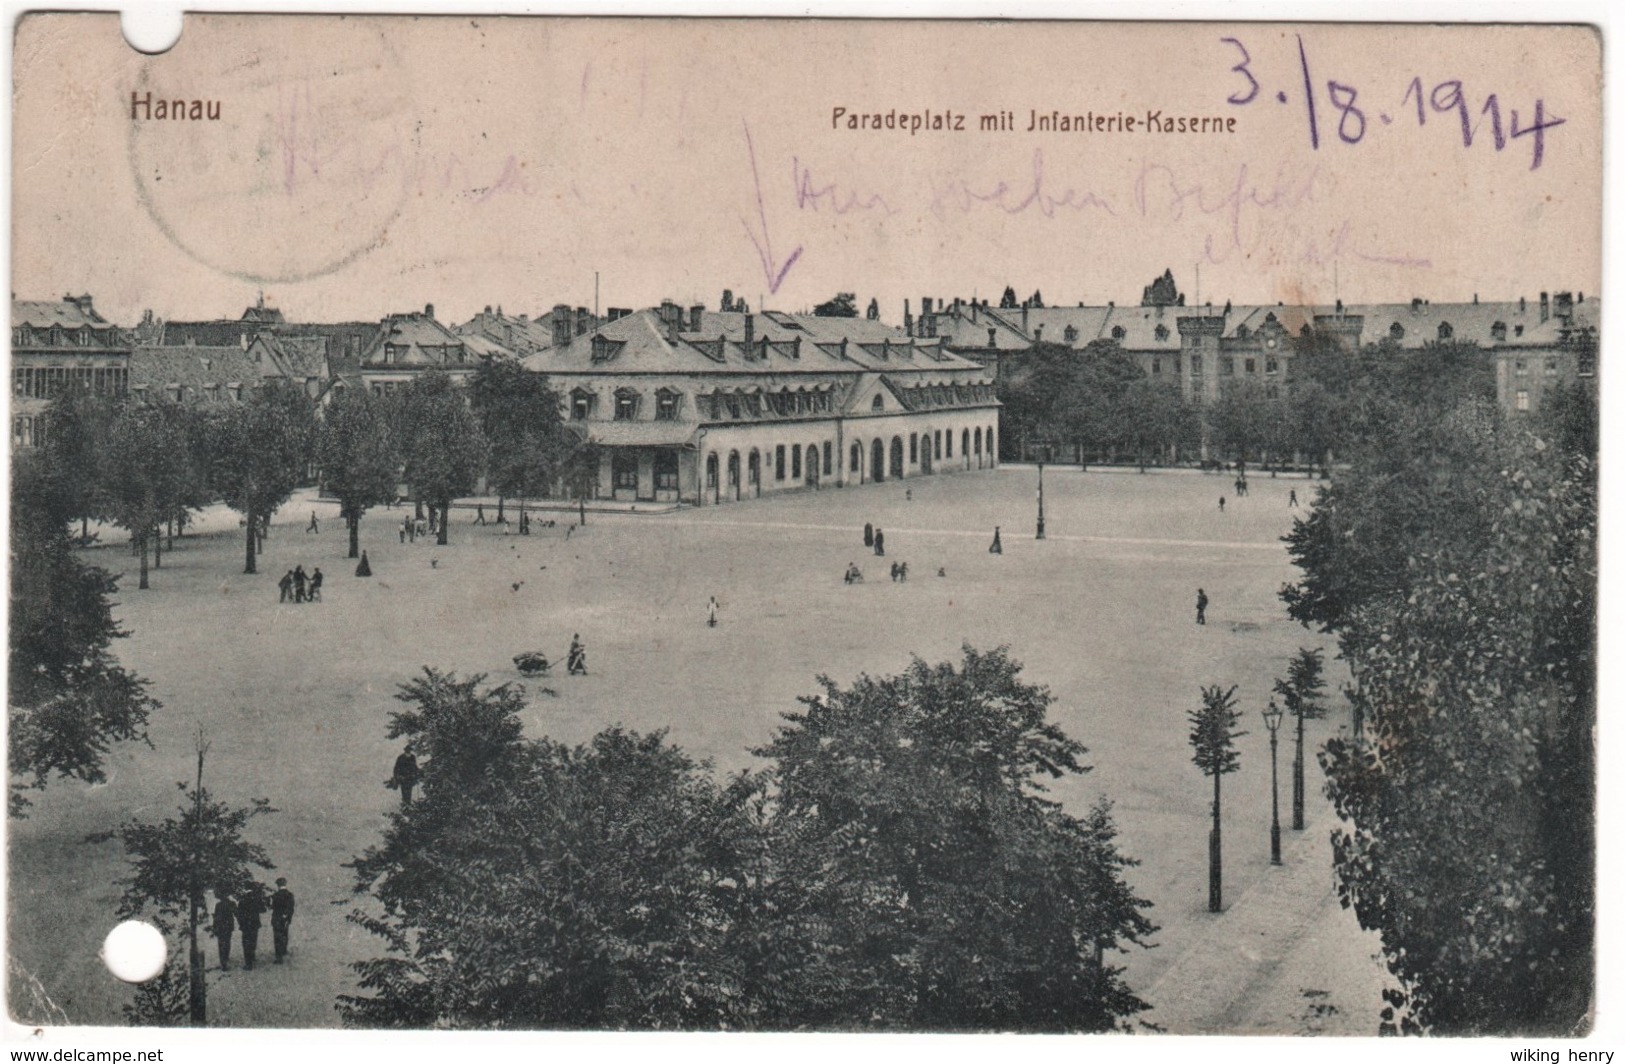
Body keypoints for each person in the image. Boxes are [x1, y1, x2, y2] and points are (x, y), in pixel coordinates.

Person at [237, 883, 266, 970]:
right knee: (253, 940)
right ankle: (252, 956)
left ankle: (248, 963)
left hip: (246, 925)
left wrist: (241, 924)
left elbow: (239, 915)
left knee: (246, 943)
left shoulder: (242, 901)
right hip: (254, 924)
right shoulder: (257, 899)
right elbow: (263, 910)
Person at [270, 878, 295, 964]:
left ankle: (279, 957)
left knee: (277, 937)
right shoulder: (290, 895)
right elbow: (291, 908)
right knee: (285, 934)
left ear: (277, 885)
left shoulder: (275, 895)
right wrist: (288, 918)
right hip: (286, 918)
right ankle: (284, 950)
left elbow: (273, 907)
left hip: (277, 918)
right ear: (285, 884)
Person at [212, 887, 237, 971]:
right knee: (227, 942)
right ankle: (226, 958)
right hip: (228, 926)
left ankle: (223, 962)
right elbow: (236, 913)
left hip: (220, 926)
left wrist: (214, 927)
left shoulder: (218, 905)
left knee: (221, 943)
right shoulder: (232, 903)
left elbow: (216, 918)